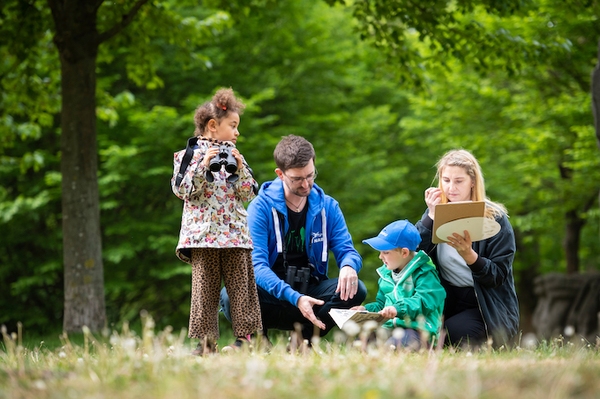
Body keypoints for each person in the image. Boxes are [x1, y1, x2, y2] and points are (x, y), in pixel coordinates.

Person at [220, 134, 367, 345]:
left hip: (311, 291)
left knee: (356, 289)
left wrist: (349, 266)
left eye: (310, 175)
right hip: (272, 293)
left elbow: (347, 250)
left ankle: (303, 338)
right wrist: (295, 298)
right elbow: (257, 266)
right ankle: (257, 340)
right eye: (297, 179)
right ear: (280, 174)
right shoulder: (260, 208)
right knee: (231, 294)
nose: (306, 184)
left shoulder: (329, 206)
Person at [171, 88, 262, 355]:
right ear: (213, 125)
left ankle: (246, 339)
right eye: (233, 126)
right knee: (204, 290)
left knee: (241, 288)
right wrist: (202, 166)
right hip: (203, 236)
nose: (237, 133)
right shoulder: (186, 155)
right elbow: (182, 191)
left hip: (234, 234)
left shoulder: (236, 155)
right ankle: (206, 343)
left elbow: (248, 192)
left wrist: (240, 167)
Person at [415, 149, 519, 348]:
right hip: (447, 298)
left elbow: (497, 276)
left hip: (487, 305)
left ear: (472, 181)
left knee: (452, 333)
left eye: (458, 181)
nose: (451, 188)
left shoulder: (495, 218)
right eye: (446, 180)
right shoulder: (435, 213)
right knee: (422, 332)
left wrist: (470, 256)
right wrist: (431, 217)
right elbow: (412, 255)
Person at [352, 219, 446, 350]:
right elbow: (382, 304)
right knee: (362, 339)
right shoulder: (387, 274)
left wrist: (398, 309)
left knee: (400, 342)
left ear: (404, 253)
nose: (380, 257)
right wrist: (365, 310)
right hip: (390, 328)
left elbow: (424, 301)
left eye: (385, 252)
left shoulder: (425, 273)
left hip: (418, 331)